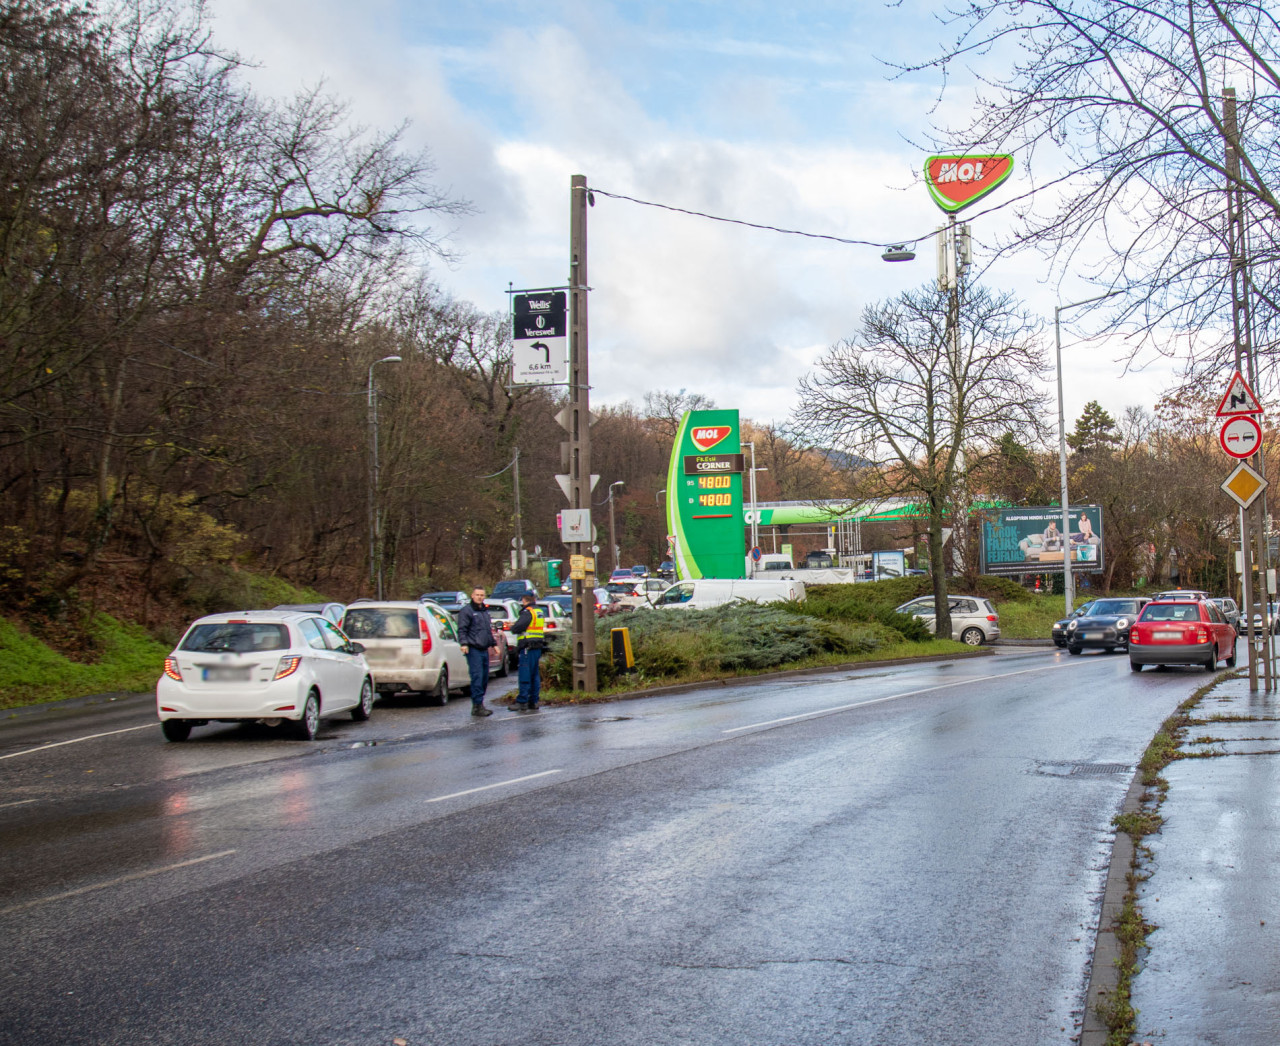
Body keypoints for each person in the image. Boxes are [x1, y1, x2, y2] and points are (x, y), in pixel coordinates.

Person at [456, 587, 497, 716]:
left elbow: (487, 630)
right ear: (472, 595)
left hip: (484, 648)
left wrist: (494, 644)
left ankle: (480, 703)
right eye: (477, 595)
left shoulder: (484, 611)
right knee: (477, 677)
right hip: (473, 649)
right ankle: (477, 705)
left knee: (485, 677)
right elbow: (462, 629)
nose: (479, 597)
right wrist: (464, 643)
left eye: (482, 595)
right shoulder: (467, 611)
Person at [509, 592, 548, 712]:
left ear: (524, 600)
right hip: (537, 646)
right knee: (534, 675)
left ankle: (522, 701)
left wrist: (513, 626)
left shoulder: (528, 612)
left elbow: (517, 628)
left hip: (527, 647)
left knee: (525, 675)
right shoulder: (539, 611)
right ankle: (533, 701)